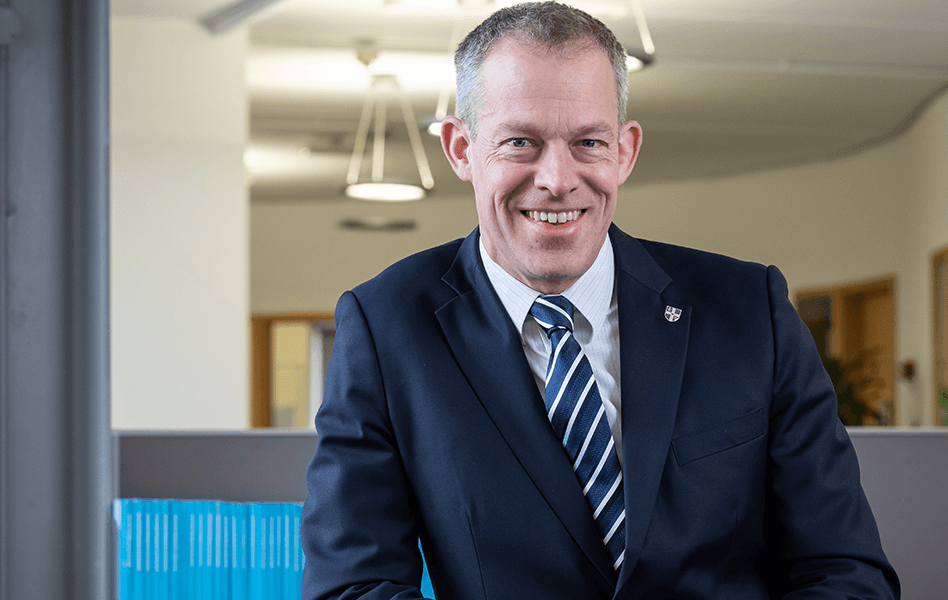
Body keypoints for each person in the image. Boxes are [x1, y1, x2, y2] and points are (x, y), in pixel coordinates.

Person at [300, 2, 900, 599]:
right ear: (462, 149)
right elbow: (353, 588)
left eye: (588, 141)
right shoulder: (386, 329)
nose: (558, 178)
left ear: (625, 150)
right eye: (520, 143)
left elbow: (845, 572)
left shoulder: (751, 311)